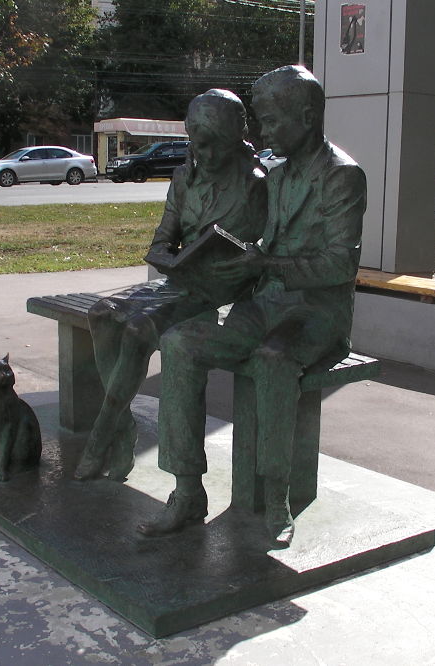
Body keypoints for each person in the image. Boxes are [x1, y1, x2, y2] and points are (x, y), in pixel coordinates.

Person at [138, 66, 367, 547]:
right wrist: (232, 262)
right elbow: (265, 243)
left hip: (316, 313)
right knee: (179, 342)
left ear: (307, 117)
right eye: (261, 122)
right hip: (265, 302)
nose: (263, 133)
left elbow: (340, 265)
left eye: (272, 122)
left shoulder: (342, 176)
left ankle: (276, 495)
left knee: (272, 358)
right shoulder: (277, 175)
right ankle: (187, 489)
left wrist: (266, 263)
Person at [74, 89, 267, 481]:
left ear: (233, 139)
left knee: (137, 329)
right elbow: (163, 239)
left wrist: (247, 258)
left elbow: (264, 250)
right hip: (180, 279)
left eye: (212, 144)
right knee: (101, 313)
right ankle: (122, 427)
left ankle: (101, 437)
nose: (203, 154)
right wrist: (166, 257)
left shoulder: (256, 185)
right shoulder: (184, 178)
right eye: (197, 144)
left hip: (222, 293)